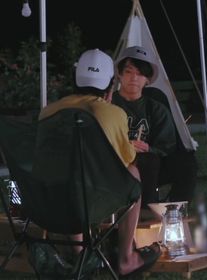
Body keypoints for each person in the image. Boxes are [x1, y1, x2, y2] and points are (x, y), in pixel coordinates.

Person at [37, 48, 160, 277]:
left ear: (75, 80)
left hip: (46, 202)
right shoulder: (112, 114)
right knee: (132, 173)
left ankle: (80, 254)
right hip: (93, 203)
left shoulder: (48, 112)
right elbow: (126, 161)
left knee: (69, 177)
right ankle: (126, 258)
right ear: (111, 85)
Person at [112, 45, 198, 214]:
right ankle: (144, 214)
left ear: (147, 80)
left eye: (140, 74)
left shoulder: (156, 108)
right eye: (129, 72)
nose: (134, 78)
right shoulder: (109, 104)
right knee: (148, 161)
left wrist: (149, 148)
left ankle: (174, 213)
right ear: (120, 75)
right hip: (116, 163)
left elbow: (167, 145)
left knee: (186, 164)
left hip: (151, 165)